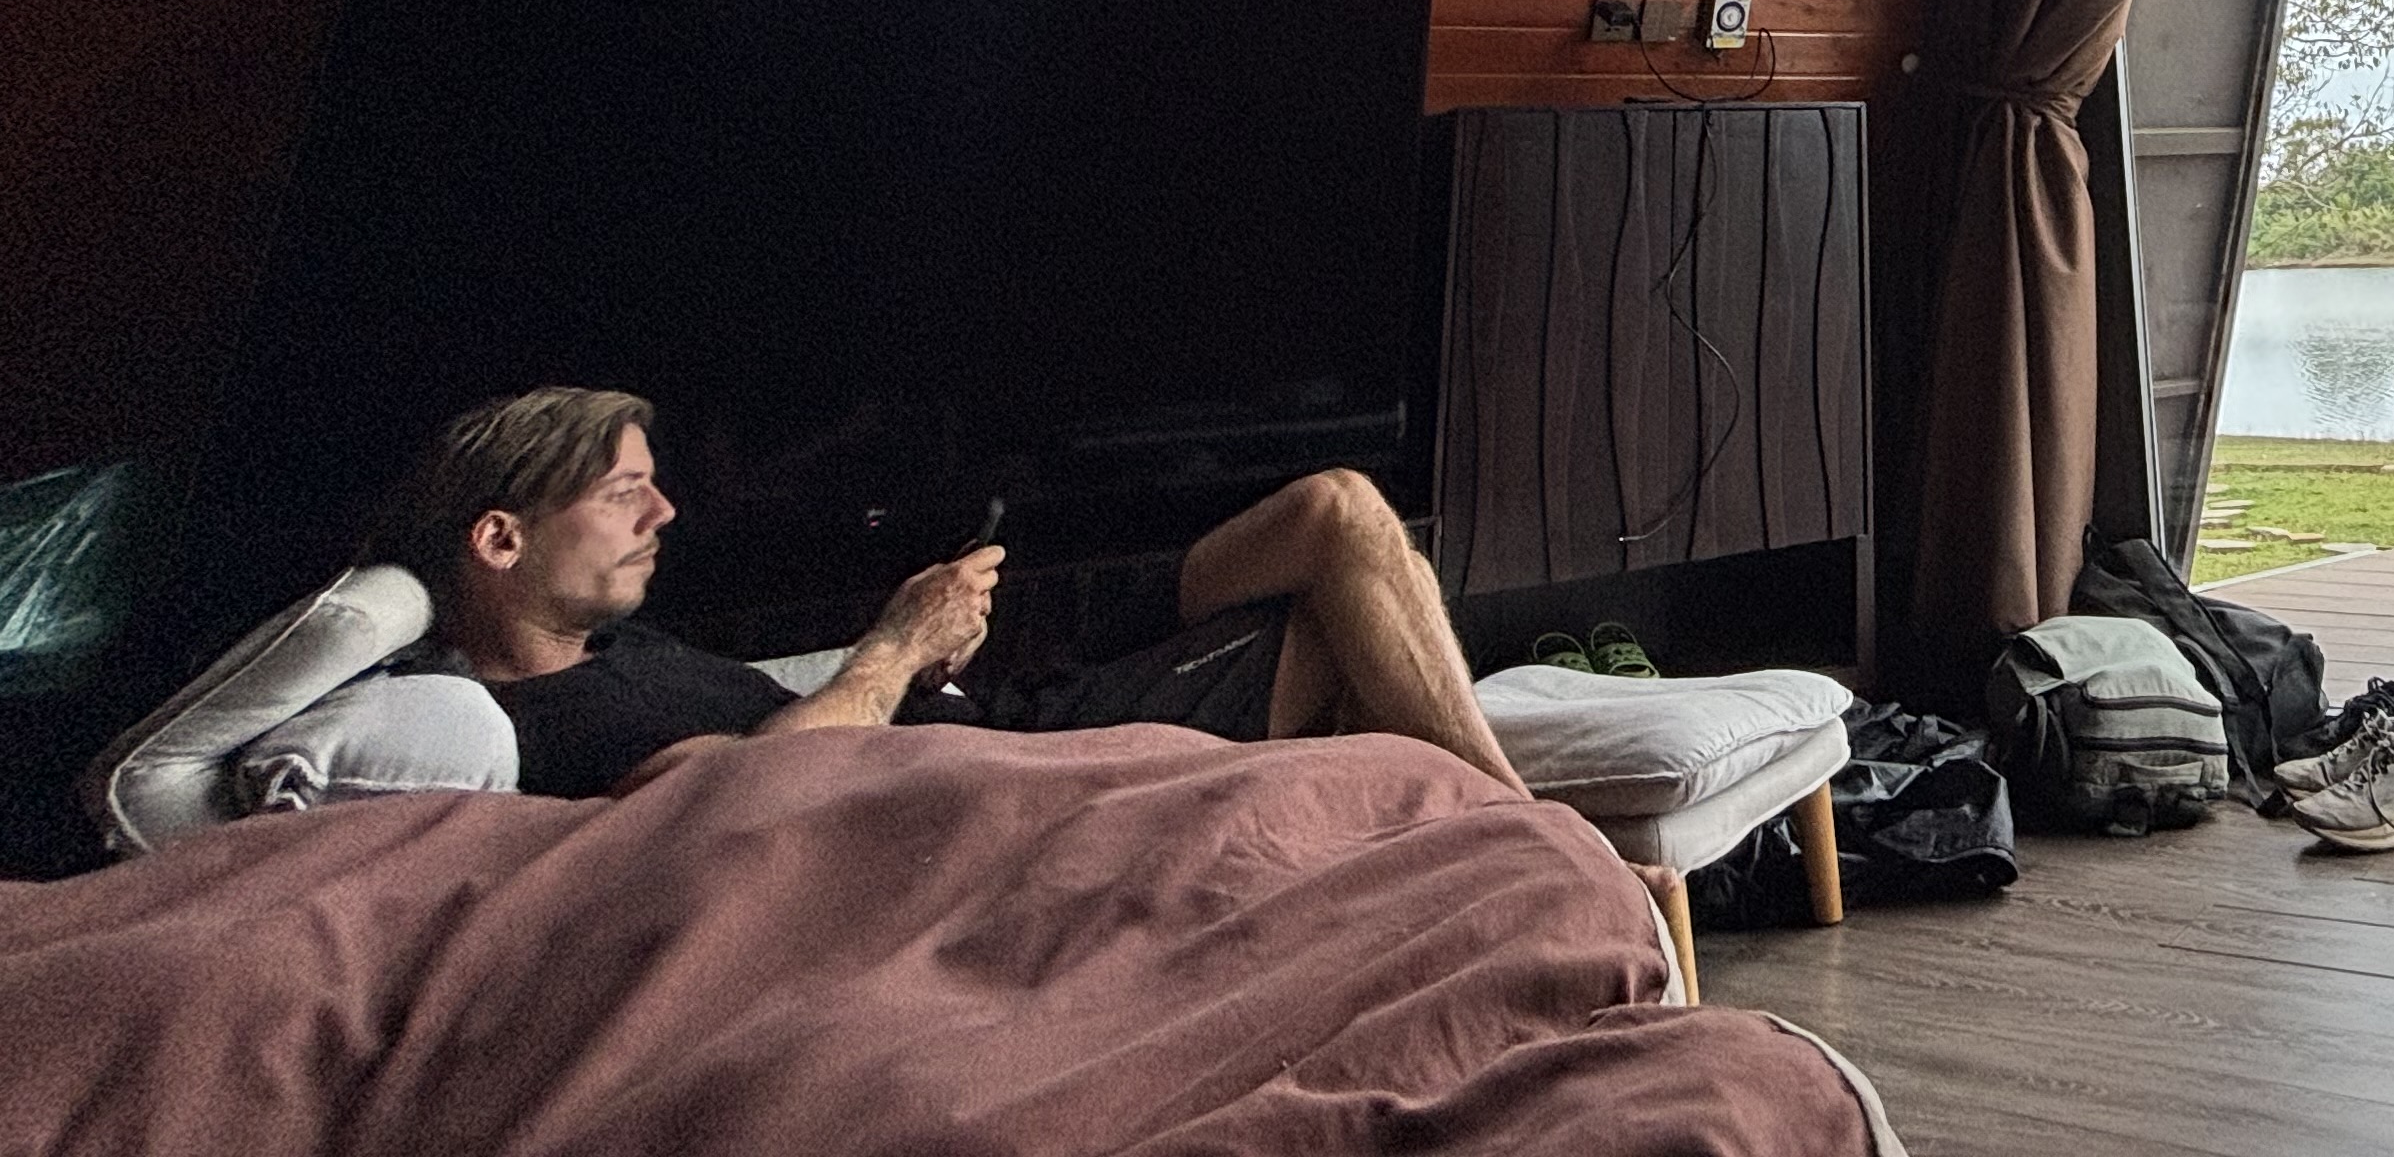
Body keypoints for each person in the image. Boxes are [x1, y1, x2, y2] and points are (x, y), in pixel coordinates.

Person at [370, 388, 1632, 878]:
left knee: (1332, 514)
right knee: (1355, 550)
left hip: (990, 707)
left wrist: (924, 640)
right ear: (498, 542)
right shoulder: (531, 719)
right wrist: (899, 645)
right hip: (1026, 768)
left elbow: (796, 717)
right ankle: (1540, 838)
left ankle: (1495, 833)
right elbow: (744, 791)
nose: (664, 510)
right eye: (620, 493)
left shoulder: (619, 653)